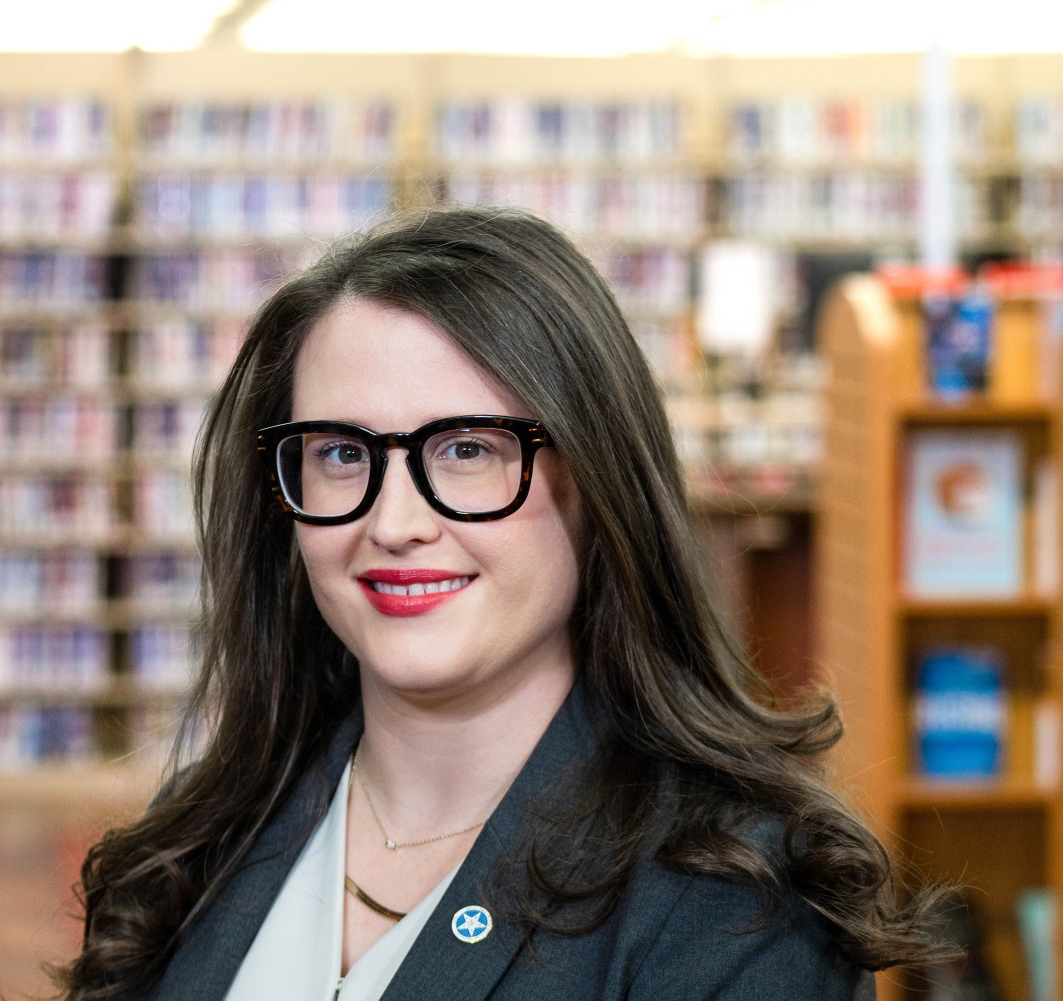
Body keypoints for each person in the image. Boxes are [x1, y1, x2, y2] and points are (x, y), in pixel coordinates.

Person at [53, 206, 950, 1000]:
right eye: (342, 454)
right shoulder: (195, 845)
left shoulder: (736, 911)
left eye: (468, 449)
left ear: (599, 478)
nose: (394, 523)